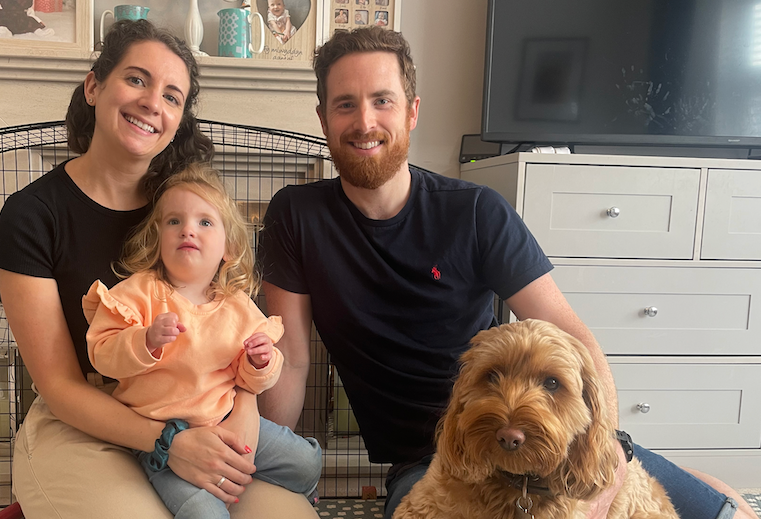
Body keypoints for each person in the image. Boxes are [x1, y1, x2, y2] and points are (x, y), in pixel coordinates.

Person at [257, 26, 757, 519]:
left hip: (542, 441)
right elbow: (291, 360)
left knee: (724, 511)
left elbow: (573, 341)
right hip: (433, 459)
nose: (364, 121)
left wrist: (613, 449)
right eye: (345, 104)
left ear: (412, 111)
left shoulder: (475, 212)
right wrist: (265, 465)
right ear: (323, 117)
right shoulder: (297, 217)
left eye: (382, 101)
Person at [0, 19, 319, 519]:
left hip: (206, 408)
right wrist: (170, 442)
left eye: (172, 95)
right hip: (83, 419)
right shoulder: (33, 214)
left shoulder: (184, 210)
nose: (152, 103)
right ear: (95, 86)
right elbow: (59, 385)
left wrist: (243, 413)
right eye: (137, 79)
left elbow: (232, 328)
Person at [83, 164, 322, 517]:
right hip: (163, 439)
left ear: (228, 248)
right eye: (174, 221)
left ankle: (279, 488)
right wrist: (143, 341)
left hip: (226, 420)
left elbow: (253, 379)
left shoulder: (236, 304)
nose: (188, 230)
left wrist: (261, 362)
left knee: (306, 462)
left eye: (205, 222)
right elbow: (101, 354)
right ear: (158, 237)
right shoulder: (140, 292)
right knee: (202, 512)